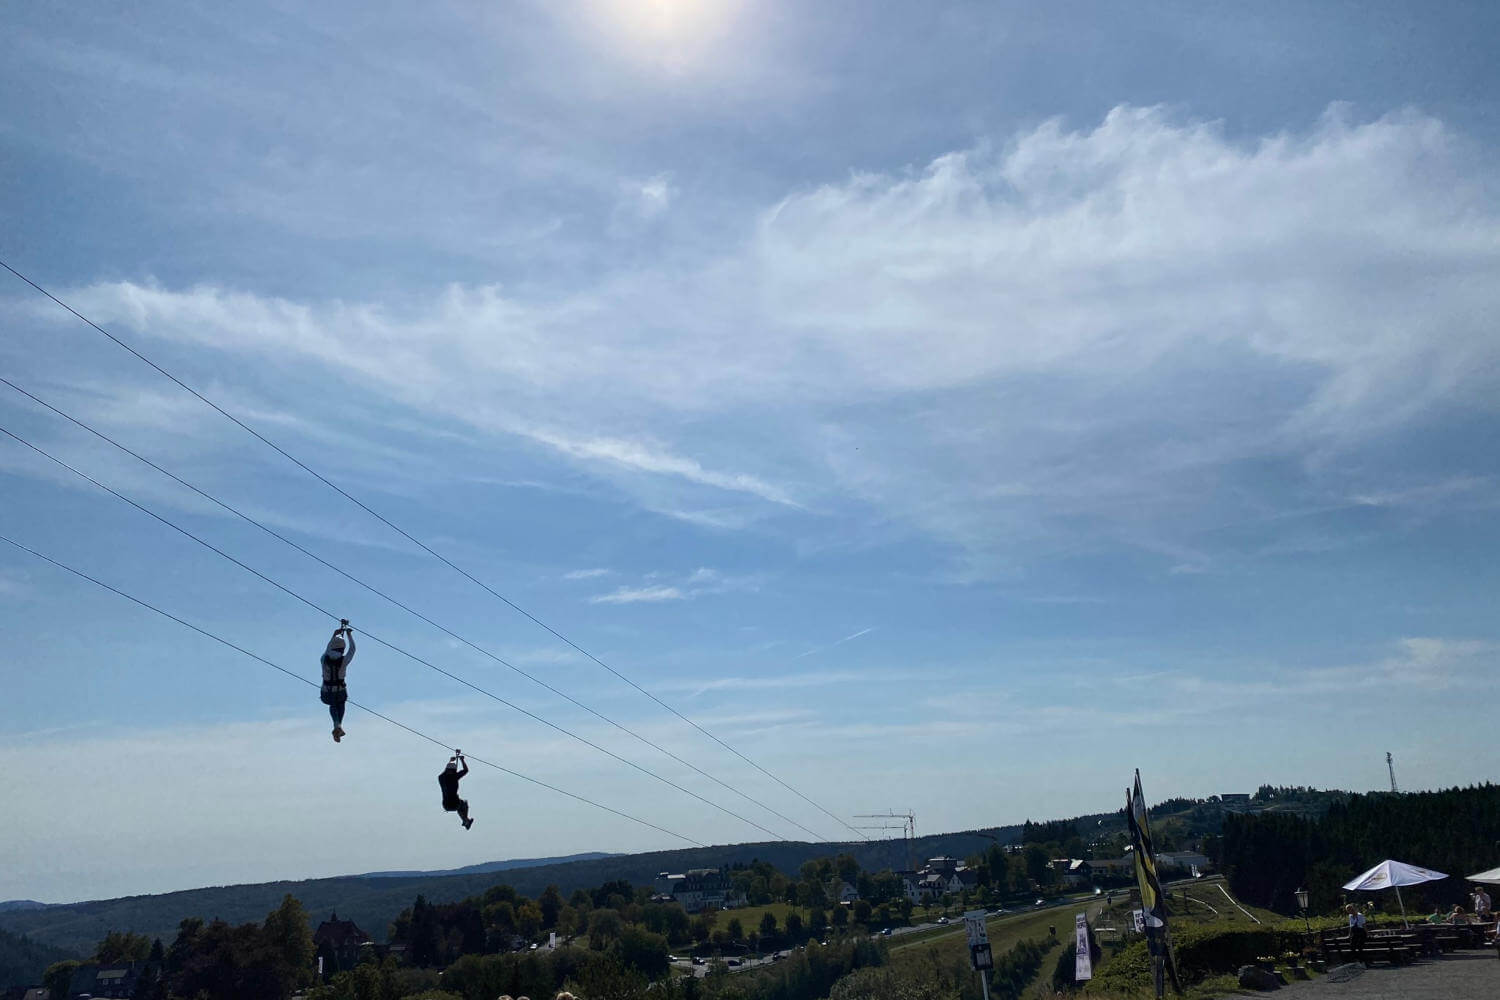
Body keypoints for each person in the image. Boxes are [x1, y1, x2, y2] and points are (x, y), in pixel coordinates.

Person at [320, 621, 355, 742]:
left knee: (333, 704)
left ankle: (337, 726)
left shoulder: (324, 659)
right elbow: (352, 649)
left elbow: (328, 648)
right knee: (340, 703)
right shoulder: (344, 660)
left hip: (326, 691)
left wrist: (334, 634)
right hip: (340, 690)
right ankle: (338, 725)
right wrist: (349, 635)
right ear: (342, 649)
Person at [439, 752, 474, 829]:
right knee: (463, 804)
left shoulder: (441, 778)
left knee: (460, 804)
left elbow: (446, 771)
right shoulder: (454, 776)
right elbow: (466, 770)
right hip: (454, 804)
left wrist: (450, 761)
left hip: (446, 805)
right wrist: (462, 760)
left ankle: (465, 821)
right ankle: (465, 820)